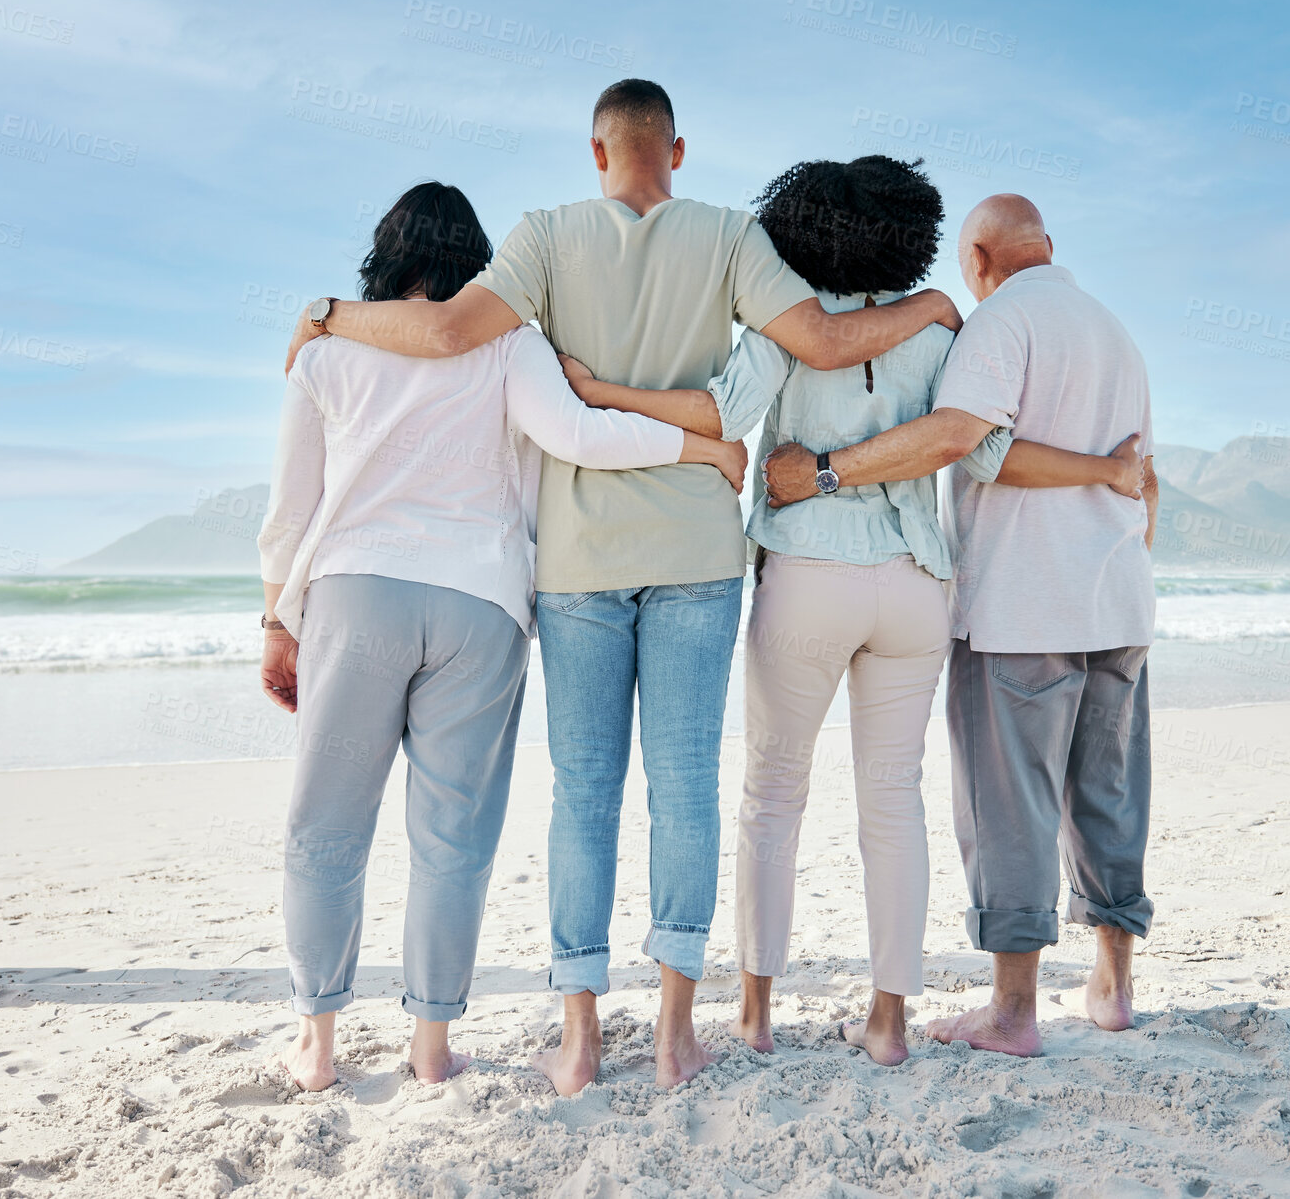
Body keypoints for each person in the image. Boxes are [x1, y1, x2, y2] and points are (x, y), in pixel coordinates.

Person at [281, 80, 966, 1093]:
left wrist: (327, 314)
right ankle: (680, 1033)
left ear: (595, 153)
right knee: (684, 786)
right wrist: (931, 305)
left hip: (575, 559)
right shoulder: (732, 237)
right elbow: (818, 343)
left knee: (582, 793)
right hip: (694, 550)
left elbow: (440, 334)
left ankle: (578, 1036)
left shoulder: (544, 237)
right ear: (675, 151)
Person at [560, 159, 1144, 1065]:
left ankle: (753, 1017)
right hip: (915, 585)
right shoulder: (943, 334)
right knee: (893, 802)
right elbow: (983, 452)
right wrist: (1108, 472)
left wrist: (601, 392)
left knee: (771, 799)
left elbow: (717, 416)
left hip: (806, 573)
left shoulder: (783, 331)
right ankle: (888, 1024)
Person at [256, 181, 746, 1092]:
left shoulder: (327, 350)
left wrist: (276, 620)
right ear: (479, 258)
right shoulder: (508, 340)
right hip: (481, 607)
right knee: (453, 836)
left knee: (325, 826)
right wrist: (699, 449)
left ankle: (318, 1045)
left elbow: (291, 508)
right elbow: (577, 434)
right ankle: (432, 1049)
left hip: (358, 593)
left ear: (384, 255)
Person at [764, 192, 1158, 1057]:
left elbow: (956, 438)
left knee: (1009, 804)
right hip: (1120, 599)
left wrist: (823, 472)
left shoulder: (999, 324)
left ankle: (1014, 1012)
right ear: (1048, 246)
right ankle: (1114, 985)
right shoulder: (1116, 334)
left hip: (1025, 603)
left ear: (978, 258)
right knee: (1109, 793)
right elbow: (1144, 478)